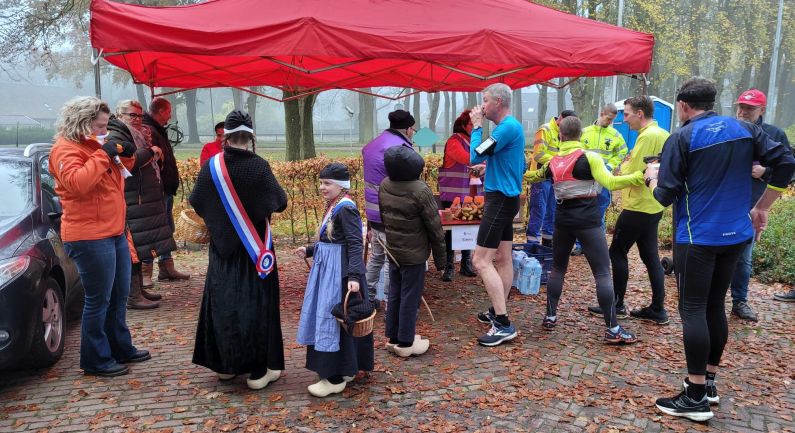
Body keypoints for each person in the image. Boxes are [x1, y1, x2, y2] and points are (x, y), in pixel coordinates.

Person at [647, 78, 795, 422]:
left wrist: (651, 177)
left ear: (683, 106)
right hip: (736, 234)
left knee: (694, 309)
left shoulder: (681, 137)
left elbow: (664, 196)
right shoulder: (744, 129)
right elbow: (787, 162)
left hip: (698, 237)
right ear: (713, 102)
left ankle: (695, 396)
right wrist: (763, 207)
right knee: (716, 304)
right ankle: (709, 383)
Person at [49, 96, 150, 377]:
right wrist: (104, 152)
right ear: (82, 122)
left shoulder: (92, 144)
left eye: (106, 126)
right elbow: (79, 184)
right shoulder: (64, 149)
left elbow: (118, 174)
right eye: (99, 125)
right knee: (98, 299)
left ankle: (120, 346)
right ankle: (95, 358)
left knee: (118, 295)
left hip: (113, 230)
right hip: (89, 235)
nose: (104, 131)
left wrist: (126, 153)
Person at [190, 110, 288, 390]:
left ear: (227, 136)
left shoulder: (211, 166)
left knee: (222, 304)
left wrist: (220, 221)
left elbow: (197, 202)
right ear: (250, 137)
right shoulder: (259, 167)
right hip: (255, 252)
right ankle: (259, 371)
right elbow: (280, 202)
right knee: (257, 306)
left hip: (222, 250)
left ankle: (225, 367)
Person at [524, 116, 642, 344]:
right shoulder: (590, 158)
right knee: (602, 273)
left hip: (562, 221)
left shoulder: (553, 162)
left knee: (558, 270)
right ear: (581, 135)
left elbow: (534, 177)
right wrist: (639, 177)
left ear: (560, 135)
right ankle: (613, 328)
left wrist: (513, 171)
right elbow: (612, 183)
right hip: (588, 221)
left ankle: (550, 316)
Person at [586, 96, 669, 324]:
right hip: (653, 205)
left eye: (627, 113)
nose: (624, 118)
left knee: (617, 252)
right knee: (650, 255)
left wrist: (621, 170)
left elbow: (633, 169)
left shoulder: (648, 136)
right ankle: (658, 308)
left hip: (637, 206)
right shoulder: (662, 134)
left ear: (640, 114)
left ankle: (617, 304)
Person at [294, 163, 374, 398]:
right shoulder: (335, 206)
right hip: (329, 270)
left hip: (338, 275)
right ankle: (347, 368)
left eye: (327, 183)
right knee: (336, 319)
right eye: (321, 182)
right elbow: (331, 240)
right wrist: (309, 250)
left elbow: (354, 243)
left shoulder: (345, 208)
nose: (322, 187)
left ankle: (336, 376)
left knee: (335, 318)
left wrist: (353, 277)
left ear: (340, 186)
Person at [469, 83, 526, 347]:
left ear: (499, 102)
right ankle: (497, 309)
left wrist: (477, 127)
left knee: (480, 261)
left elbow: (474, 154)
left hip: (500, 200)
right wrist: (487, 168)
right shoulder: (508, 128)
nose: (481, 106)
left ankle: (503, 324)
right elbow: (497, 158)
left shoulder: (506, 127)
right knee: (502, 258)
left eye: (485, 101)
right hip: (505, 196)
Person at [108, 100, 176, 310]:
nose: (137, 119)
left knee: (141, 246)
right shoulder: (118, 135)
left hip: (141, 196)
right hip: (132, 198)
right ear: (120, 116)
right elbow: (128, 162)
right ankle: (133, 295)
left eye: (139, 115)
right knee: (134, 248)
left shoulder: (138, 133)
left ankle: (139, 290)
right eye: (132, 115)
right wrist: (152, 152)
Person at [379, 145, 445, 357]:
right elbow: (435, 228)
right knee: (410, 296)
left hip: (394, 250)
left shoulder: (385, 185)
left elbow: (383, 217)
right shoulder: (420, 190)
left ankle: (393, 336)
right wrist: (442, 262)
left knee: (395, 294)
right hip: (415, 254)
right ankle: (406, 342)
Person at [732, 89, 792, 315]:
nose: (743, 112)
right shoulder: (728, 129)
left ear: (762, 110)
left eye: (749, 108)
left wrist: (765, 171)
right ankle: (710, 301)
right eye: (741, 107)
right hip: (725, 199)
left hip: (753, 202)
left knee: (744, 256)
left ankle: (740, 301)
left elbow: (788, 168)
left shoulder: (774, 134)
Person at [361, 110, 417, 305]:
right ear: (408, 129)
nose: (413, 134)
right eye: (413, 130)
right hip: (392, 213)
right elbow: (409, 186)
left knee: (376, 255)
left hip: (373, 212)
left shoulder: (372, 145)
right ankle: (389, 303)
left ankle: (366, 297)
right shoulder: (400, 149)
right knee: (390, 261)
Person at [143, 97, 190, 284]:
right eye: (169, 111)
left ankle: (166, 265)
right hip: (157, 189)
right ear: (161, 111)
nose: (170, 116)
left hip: (164, 188)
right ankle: (146, 269)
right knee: (154, 229)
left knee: (166, 228)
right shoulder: (150, 131)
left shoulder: (156, 129)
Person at [438, 109, 480, 281]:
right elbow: (468, 159)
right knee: (450, 231)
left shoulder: (471, 140)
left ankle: (465, 263)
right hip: (453, 194)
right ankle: (449, 266)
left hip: (469, 194)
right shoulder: (454, 141)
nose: (473, 127)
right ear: (463, 125)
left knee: (467, 229)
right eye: (471, 124)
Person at [526, 110, 576, 247]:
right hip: (541, 176)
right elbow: (538, 155)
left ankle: (548, 241)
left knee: (552, 209)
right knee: (539, 209)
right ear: (561, 118)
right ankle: (532, 243)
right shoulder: (545, 130)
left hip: (556, 176)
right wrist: (559, 160)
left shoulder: (565, 132)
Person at [581, 104, 628, 233]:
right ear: (601, 114)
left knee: (600, 211)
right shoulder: (585, 132)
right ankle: (581, 244)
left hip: (603, 178)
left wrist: (610, 165)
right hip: (585, 178)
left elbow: (622, 151)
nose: (610, 122)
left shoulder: (615, 135)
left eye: (612, 120)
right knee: (583, 211)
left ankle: (598, 244)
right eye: (608, 118)